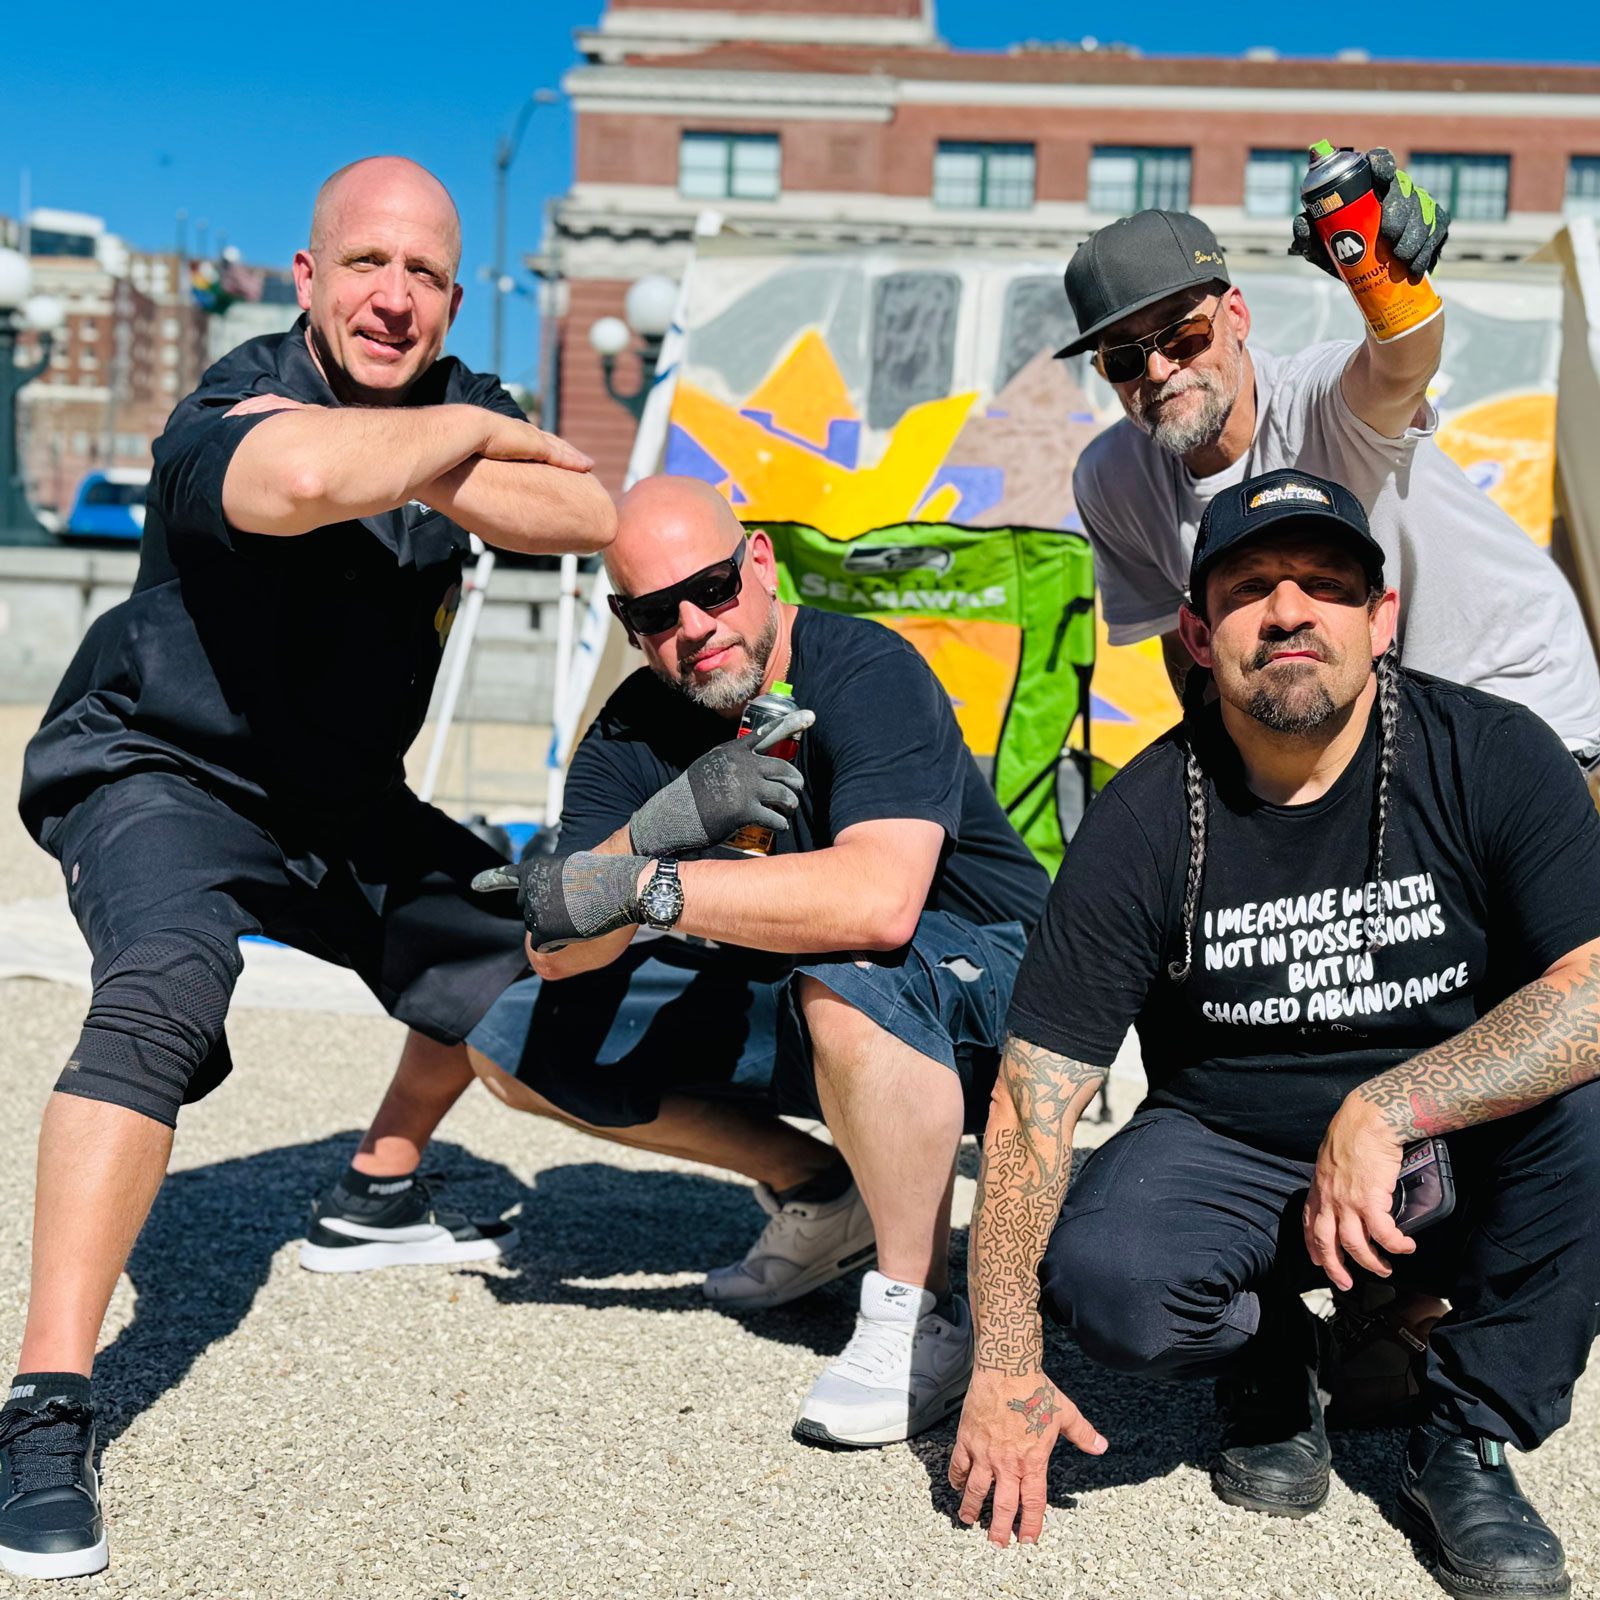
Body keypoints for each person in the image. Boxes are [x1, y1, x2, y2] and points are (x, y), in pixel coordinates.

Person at [0, 157, 615, 1580]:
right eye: (366, 267)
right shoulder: (235, 391)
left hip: (339, 802)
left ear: (457, 298)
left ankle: (376, 1191)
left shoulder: (464, 405)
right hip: (166, 770)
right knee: (161, 989)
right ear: (308, 278)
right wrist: (463, 444)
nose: (394, 299)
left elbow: (584, 514)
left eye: (424, 276)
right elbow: (293, 479)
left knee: (513, 931)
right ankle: (45, 1403)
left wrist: (440, 443)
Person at [949, 466, 1600, 1600]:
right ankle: (1268, 1346)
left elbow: (1593, 987)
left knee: (1591, 1112)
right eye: (1250, 588)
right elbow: (1033, 1094)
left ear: (1379, 620)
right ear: (1199, 635)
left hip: (1442, 1152)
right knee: (1109, 1280)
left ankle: (1468, 1437)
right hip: (1230, 1144)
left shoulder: (1492, 755)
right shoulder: (1148, 813)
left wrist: (1387, 1105)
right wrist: (1002, 1358)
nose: (1289, 610)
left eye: (1326, 585)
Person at [453, 474, 1049, 1449]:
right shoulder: (629, 732)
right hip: (816, 995)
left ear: (760, 564)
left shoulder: (864, 667)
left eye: (716, 587)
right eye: (657, 610)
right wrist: (658, 825)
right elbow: (556, 952)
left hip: (993, 990)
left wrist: (647, 883)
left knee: (851, 971)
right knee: (516, 1038)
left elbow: (879, 902)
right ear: (629, 624)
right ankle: (826, 1192)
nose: (694, 623)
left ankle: (916, 1310)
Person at [1063, 151, 1600, 757]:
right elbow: (1187, 645)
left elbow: (1401, 366)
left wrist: (1394, 282)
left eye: (1183, 335)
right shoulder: (1111, 479)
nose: (1160, 371)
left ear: (1236, 316)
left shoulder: (1319, 400)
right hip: (1377, 733)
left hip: (1514, 692)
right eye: (1125, 359)